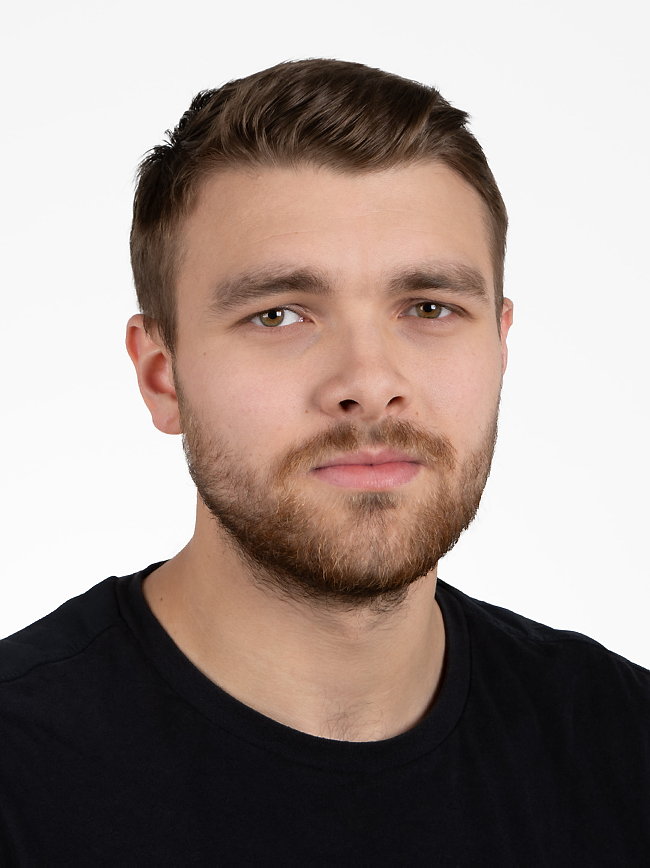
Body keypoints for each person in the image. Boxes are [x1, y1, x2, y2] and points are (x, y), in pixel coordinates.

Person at [1, 59, 648, 865]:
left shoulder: (624, 750)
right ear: (162, 377)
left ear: (500, 346)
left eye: (430, 307)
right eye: (278, 315)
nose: (370, 384)